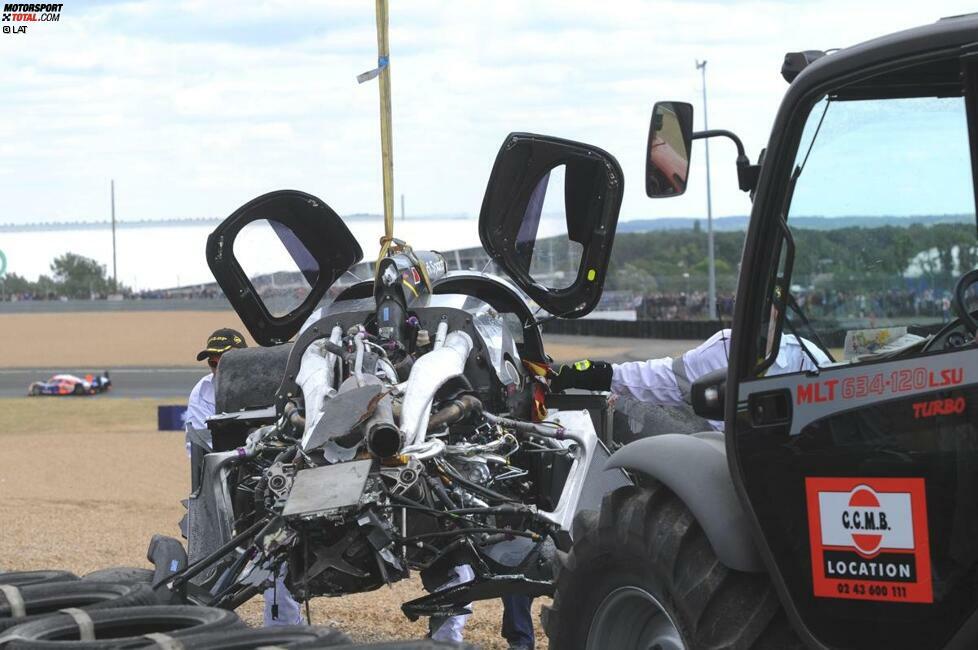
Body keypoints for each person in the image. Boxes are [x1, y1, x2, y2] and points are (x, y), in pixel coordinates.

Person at [185, 327, 306, 628]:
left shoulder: (275, 381)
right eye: (213, 362)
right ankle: (212, 624)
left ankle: (283, 630)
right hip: (224, 478)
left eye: (224, 361)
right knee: (214, 557)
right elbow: (198, 446)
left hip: (274, 477)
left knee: (278, 551)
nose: (217, 368)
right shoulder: (201, 391)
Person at [550, 328, 829, 428]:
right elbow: (661, 377)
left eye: (770, 311)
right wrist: (600, 374)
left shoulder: (806, 356)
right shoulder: (721, 348)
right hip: (733, 465)